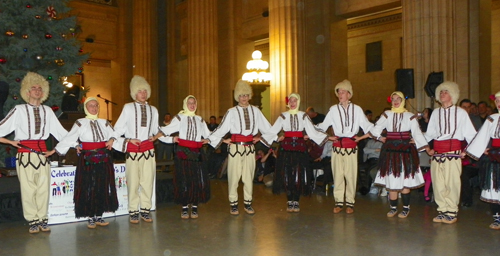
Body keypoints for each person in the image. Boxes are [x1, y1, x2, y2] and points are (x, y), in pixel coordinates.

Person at [0, 72, 68, 233]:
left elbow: (61, 133)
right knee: (28, 189)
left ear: (43, 92)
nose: (37, 91)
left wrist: (70, 146)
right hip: (25, 155)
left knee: (43, 188)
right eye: (33, 88)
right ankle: (33, 220)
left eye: (40, 88)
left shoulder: (47, 111)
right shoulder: (19, 109)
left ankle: (43, 218)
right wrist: (10, 142)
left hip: (43, 155)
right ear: (27, 92)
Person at [208, 80, 275, 215]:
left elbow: (268, 128)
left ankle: (247, 203)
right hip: (235, 148)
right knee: (233, 176)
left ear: (249, 95)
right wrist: (222, 140)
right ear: (237, 97)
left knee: (249, 177)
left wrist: (260, 138)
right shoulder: (231, 112)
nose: (244, 98)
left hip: (250, 148)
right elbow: (222, 128)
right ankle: (233, 204)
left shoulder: (255, 111)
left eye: (246, 95)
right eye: (241, 95)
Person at [53, 97, 118, 228]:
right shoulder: (80, 122)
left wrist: (112, 139)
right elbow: (70, 137)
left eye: (96, 106)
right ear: (85, 108)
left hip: (103, 157)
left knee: (102, 185)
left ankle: (99, 214)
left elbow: (116, 134)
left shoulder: (104, 122)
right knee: (89, 185)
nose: (94, 108)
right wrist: (74, 145)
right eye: (91, 106)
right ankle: (90, 215)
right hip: (87, 158)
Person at [262, 93, 329, 212]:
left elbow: (312, 129)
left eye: (295, 100)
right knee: (287, 174)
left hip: (300, 147)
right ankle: (289, 201)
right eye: (291, 101)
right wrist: (277, 138)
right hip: (286, 147)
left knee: (299, 174)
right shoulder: (283, 115)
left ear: (298, 102)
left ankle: (296, 201)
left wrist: (322, 136)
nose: (292, 103)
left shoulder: (303, 115)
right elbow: (273, 130)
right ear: (288, 103)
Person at [370, 91, 431, 218]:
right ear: (390, 101)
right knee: (392, 179)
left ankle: (406, 207)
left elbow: (417, 133)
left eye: (398, 99)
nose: (396, 101)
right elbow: (375, 129)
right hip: (390, 151)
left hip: (405, 151)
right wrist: (380, 138)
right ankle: (393, 207)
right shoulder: (387, 114)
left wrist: (426, 148)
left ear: (403, 100)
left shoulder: (410, 116)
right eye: (393, 99)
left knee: (405, 179)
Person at [317, 79, 374, 214]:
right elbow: (323, 126)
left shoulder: (357, 110)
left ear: (349, 94)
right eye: (338, 92)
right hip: (337, 147)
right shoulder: (333, 110)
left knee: (351, 175)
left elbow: (367, 126)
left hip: (351, 147)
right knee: (338, 175)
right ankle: (338, 202)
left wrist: (377, 132)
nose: (340, 94)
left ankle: (350, 202)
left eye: (343, 91)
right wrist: (317, 133)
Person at [425, 81, 476, 224]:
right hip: (437, 154)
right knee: (438, 183)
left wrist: (467, 151)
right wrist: (421, 143)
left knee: (452, 183)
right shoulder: (435, 112)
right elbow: (429, 134)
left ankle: (452, 211)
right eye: (440, 92)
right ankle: (442, 209)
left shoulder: (461, 112)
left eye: (445, 91)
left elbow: (471, 134)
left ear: (453, 94)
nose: (442, 94)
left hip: (453, 152)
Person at [153, 95, 211, 219]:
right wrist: (156, 137)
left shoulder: (200, 119)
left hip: (197, 152)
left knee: (196, 179)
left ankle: (194, 205)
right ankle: (184, 206)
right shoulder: (180, 118)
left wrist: (211, 140)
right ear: (185, 104)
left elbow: (209, 135)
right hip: (183, 151)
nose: (192, 105)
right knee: (184, 179)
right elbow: (167, 130)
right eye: (189, 103)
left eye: (194, 102)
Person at [113, 75, 159, 224]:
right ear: (134, 93)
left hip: (148, 150)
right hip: (133, 151)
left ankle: (145, 209)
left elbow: (156, 130)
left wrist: (161, 136)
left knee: (148, 181)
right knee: (133, 182)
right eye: (140, 91)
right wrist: (127, 140)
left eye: (145, 91)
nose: (143, 93)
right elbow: (118, 129)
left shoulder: (153, 110)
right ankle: (133, 211)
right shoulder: (128, 107)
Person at [465, 91, 500, 229]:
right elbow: (482, 136)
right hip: (494, 156)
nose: (498, 103)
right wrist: (479, 150)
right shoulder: (492, 118)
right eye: (496, 101)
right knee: (494, 186)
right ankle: (497, 218)